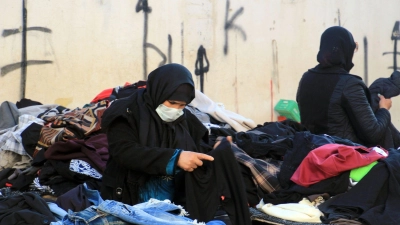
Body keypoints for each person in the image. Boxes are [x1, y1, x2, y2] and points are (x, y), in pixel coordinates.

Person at [99, 63, 252, 225]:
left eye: (182, 105)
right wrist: (175, 159)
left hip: (174, 205)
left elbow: (198, 146)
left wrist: (216, 149)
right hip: (130, 202)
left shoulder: (186, 120)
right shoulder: (126, 113)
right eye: (172, 103)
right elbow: (125, 152)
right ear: (158, 92)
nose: (176, 110)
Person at [296, 26, 394, 148]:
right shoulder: (350, 84)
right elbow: (373, 133)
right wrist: (384, 109)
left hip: (311, 151)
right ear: (346, 51)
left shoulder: (306, 78)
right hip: (342, 157)